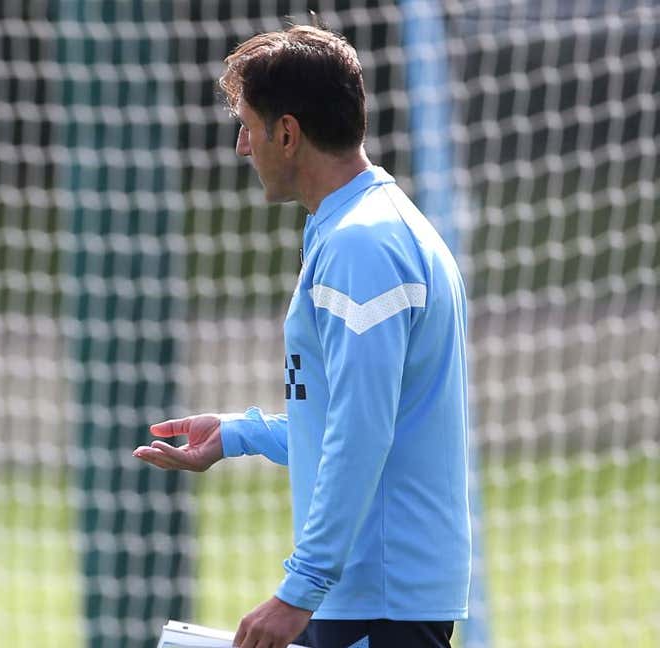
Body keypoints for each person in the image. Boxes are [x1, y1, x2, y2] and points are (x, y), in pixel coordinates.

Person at [133, 25, 470, 648]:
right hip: (376, 593)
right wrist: (237, 434)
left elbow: (362, 429)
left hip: (379, 596)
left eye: (248, 125)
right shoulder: (357, 229)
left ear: (286, 134)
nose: (241, 146)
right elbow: (351, 415)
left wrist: (299, 590)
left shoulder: (362, 245)